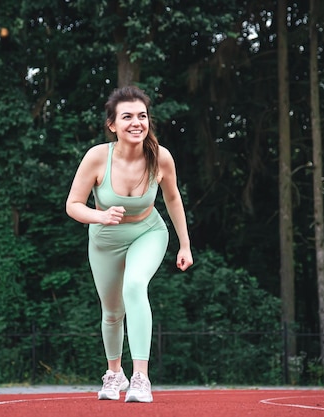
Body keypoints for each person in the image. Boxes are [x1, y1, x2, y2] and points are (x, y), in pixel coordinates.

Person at [65, 85, 193, 403]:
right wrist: (100, 215)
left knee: (134, 286)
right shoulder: (97, 157)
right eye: (127, 117)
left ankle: (140, 378)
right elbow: (73, 205)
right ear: (112, 125)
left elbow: (173, 198)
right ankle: (114, 373)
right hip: (105, 240)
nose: (136, 122)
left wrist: (185, 245)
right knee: (111, 313)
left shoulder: (160, 157)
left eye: (142, 116)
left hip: (148, 232)